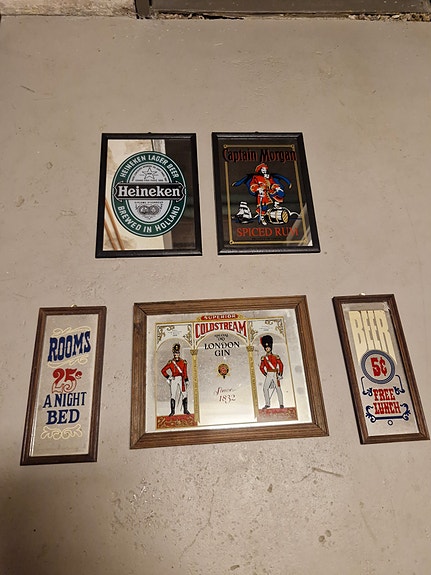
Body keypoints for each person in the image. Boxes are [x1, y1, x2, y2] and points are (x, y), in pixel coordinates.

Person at [161, 343, 190, 416]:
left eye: (177, 353)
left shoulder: (183, 362)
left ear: (179, 353)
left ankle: (185, 410)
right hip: (174, 379)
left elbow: (185, 372)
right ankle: (172, 412)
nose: (176, 354)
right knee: (173, 395)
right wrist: (168, 377)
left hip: (181, 379)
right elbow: (163, 370)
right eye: (175, 353)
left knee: (184, 394)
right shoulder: (171, 362)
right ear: (173, 353)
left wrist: (186, 380)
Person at [259, 335, 284, 409]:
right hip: (269, 374)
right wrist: (265, 374)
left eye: (268, 347)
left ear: (271, 347)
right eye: (266, 347)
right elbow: (261, 367)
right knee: (265, 388)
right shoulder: (263, 358)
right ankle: (267, 404)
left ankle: (281, 404)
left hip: (275, 373)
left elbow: (281, 365)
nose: (267, 348)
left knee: (278, 388)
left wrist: (280, 374)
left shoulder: (276, 356)